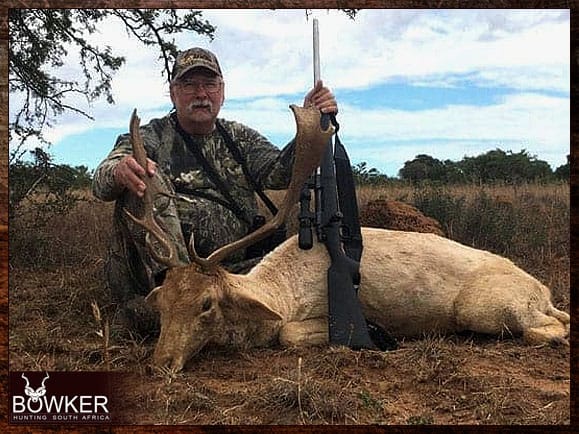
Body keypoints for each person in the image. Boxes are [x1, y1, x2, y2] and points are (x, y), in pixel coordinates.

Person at [92, 47, 338, 335]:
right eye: (189, 85)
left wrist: (312, 123)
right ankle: (178, 302)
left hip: (230, 272)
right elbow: (101, 182)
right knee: (143, 175)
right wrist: (120, 170)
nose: (201, 93)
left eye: (210, 84)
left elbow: (279, 173)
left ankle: (179, 315)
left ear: (222, 92)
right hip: (163, 276)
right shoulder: (150, 137)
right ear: (173, 93)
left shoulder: (239, 138)